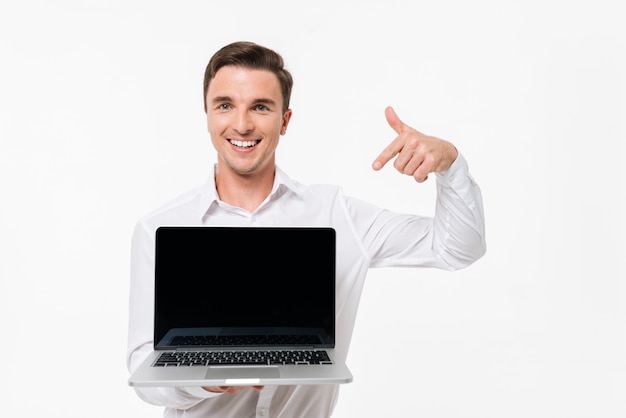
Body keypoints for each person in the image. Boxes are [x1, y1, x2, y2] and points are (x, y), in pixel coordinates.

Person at [127, 41, 486, 418]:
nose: (242, 124)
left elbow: (458, 249)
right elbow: (142, 368)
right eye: (225, 105)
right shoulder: (158, 228)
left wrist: (451, 165)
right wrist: (206, 377)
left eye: (261, 107)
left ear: (284, 120)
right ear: (207, 115)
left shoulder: (335, 214)